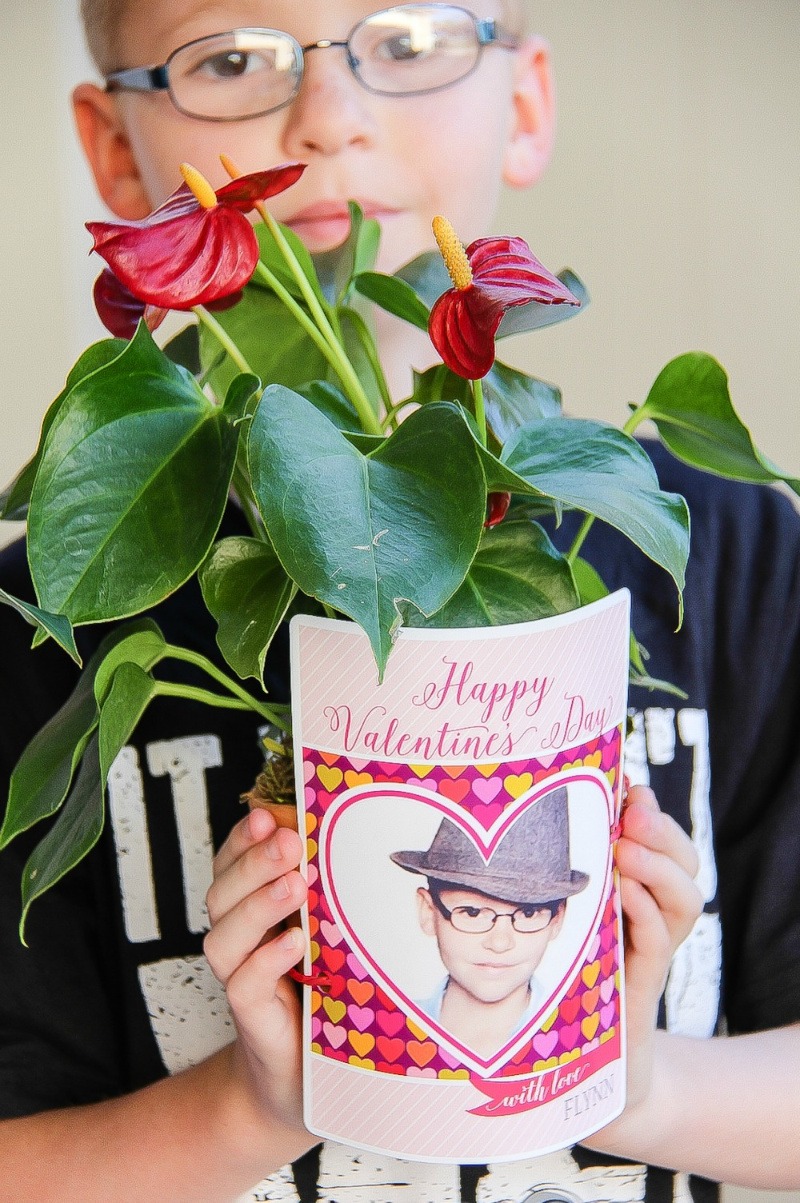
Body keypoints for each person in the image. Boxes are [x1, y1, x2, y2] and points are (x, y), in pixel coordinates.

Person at [0, 2, 798, 1201]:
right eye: (231, 60)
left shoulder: (720, 555)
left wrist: (636, 1086)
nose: (329, 119)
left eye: (408, 41)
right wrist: (253, 1107)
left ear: (523, 103)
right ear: (117, 151)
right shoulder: (49, 616)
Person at [390, 787, 588, 1056]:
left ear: (558, 919)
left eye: (528, 913)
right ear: (428, 911)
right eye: (472, 912)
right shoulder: (393, 1026)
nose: (500, 942)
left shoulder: (578, 1026)